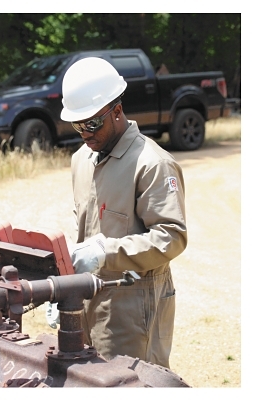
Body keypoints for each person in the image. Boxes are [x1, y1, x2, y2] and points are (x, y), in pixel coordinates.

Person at [55, 57, 187, 369]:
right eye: (77, 125)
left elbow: (172, 238)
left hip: (134, 313)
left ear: (117, 111)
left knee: (134, 384)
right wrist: (65, 290)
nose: (85, 134)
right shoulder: (81, 160)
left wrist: (106, 251)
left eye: (92, 124)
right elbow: (83, 234)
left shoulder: (152, 164)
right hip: (87, 306)